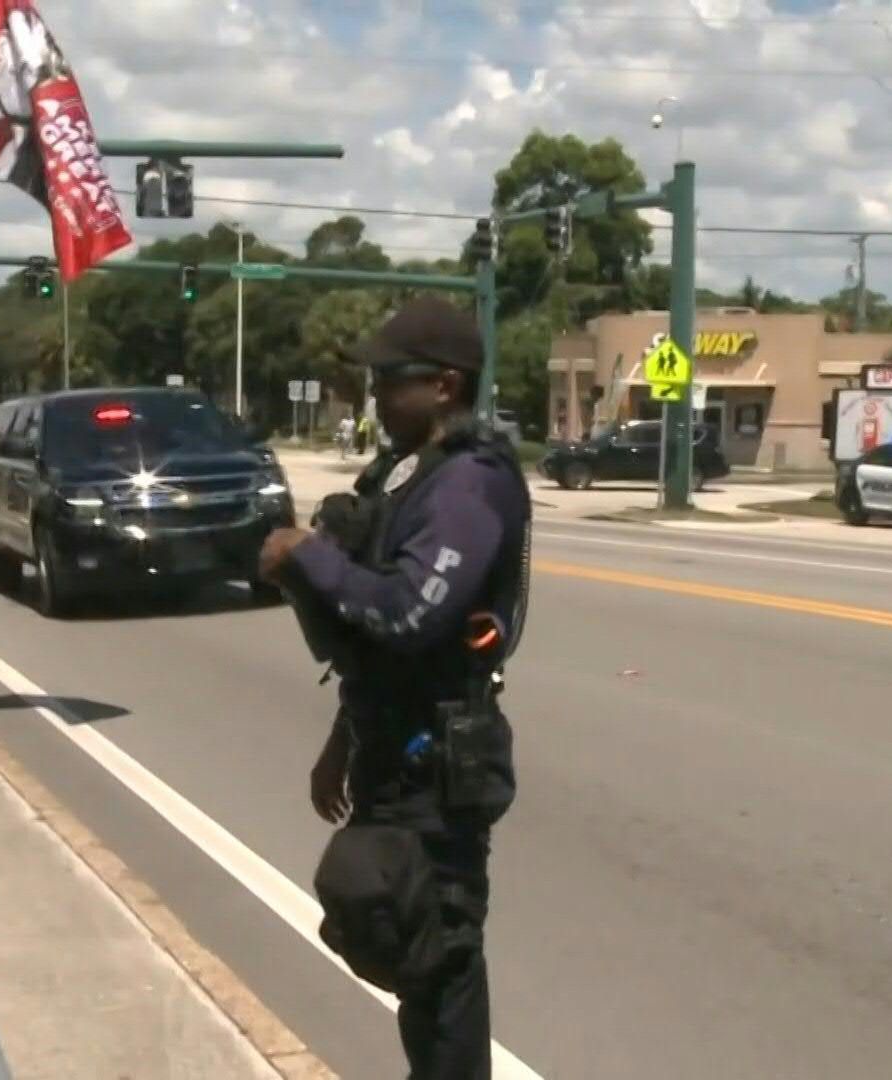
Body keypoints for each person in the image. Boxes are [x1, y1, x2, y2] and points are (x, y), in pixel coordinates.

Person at [260, 299, 531, 1080]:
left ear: (444, 385)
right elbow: (377, 646)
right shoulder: (412, 474)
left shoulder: (470, 486)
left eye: (390, 380)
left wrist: (307, 556)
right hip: (390, 744)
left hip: (437, 763)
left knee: (438, 952)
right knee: (400, 938)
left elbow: (410, 613)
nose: (376, 394)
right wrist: (342, 739)